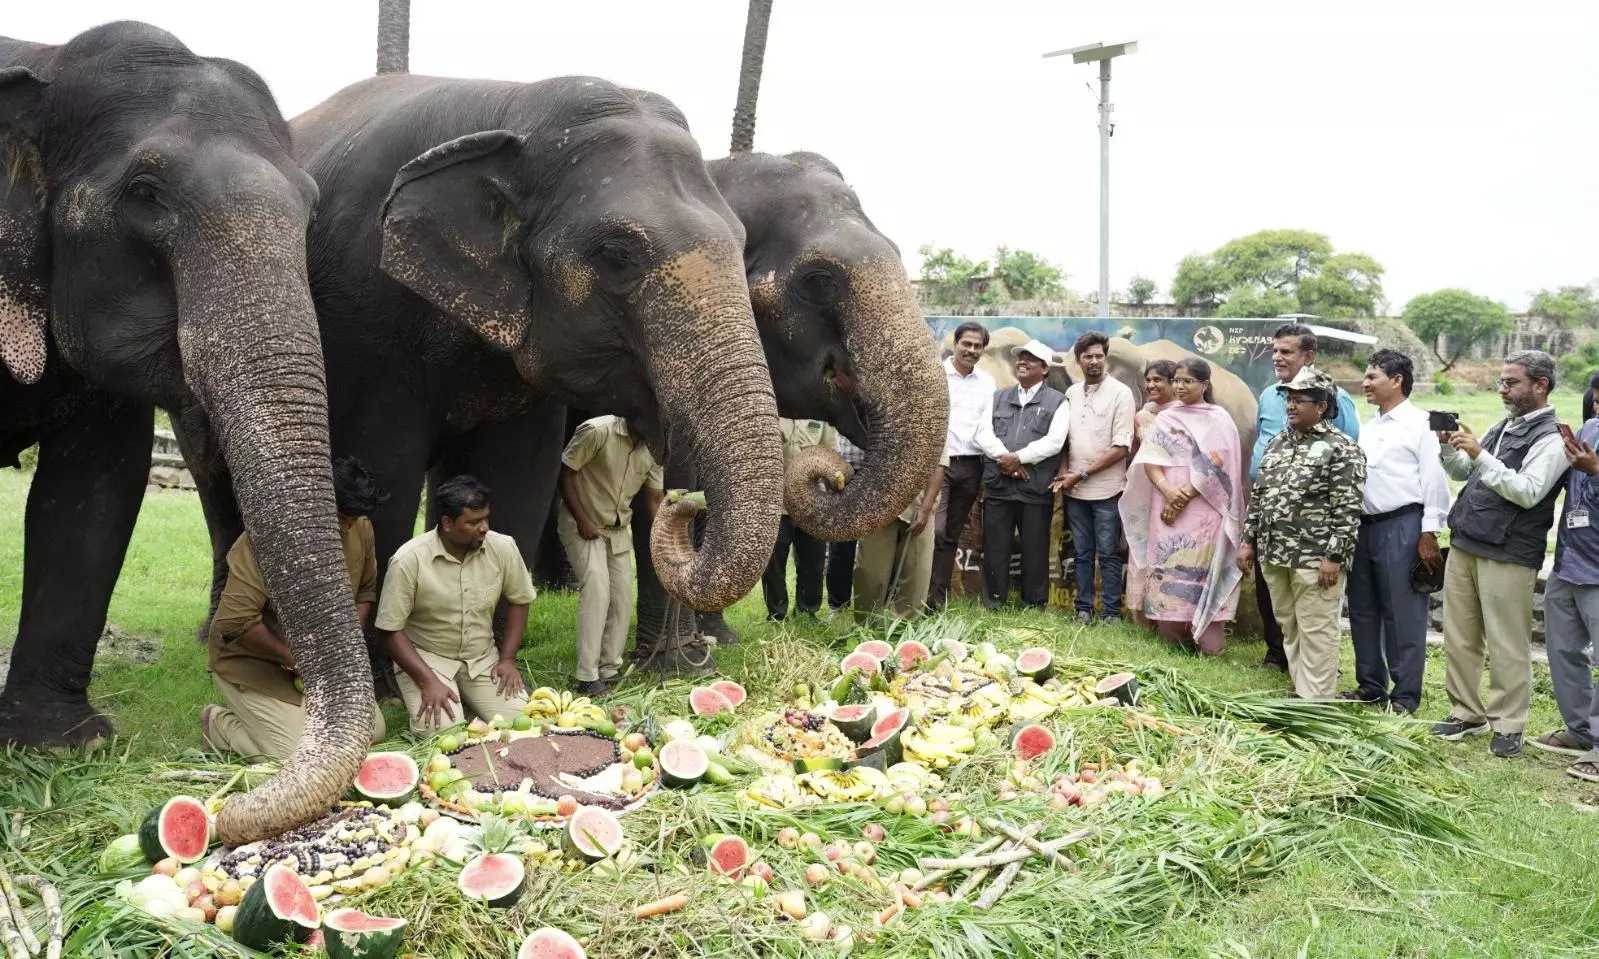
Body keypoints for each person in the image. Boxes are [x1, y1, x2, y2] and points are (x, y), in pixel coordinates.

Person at [201, 457, 390, 760]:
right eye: (342, 517)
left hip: (320, 663)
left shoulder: (359, 526)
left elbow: (365, 592)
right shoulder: (266, 539)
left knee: (371, 732)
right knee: (295, 758)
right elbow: (236, 624)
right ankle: (218, 724)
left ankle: (292, 720)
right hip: (255, 663)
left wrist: (343, 647)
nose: (348, 527)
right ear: (318, 501)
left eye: (354, 519)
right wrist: (298, 660)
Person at [1433, 351, 1566, 758]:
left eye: (1512, 382)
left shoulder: (1553, 438)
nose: (1503, 389)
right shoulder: (1502, 426)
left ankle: (1508, 724)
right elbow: (1465, 474)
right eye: (1501, 382)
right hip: (1467, 542)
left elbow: (1527, 491)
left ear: (1540, 385)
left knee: (1507, 642)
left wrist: (1479, 453)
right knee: (1459, 636)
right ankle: (1465, 712)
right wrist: (1449, 449)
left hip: (1509, 553)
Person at [1239, 367, 1365, 700]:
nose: (1290, 406)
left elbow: (1348, 509)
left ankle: (1318, 701)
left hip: (1314, 557)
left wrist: (1334, 556)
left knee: (1317, 628)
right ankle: (1304, 689)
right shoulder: (1279, 442)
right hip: (1274, 552)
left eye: (1299, 400)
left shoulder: (1341, 449)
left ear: (1321, 406)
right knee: (1290, 625)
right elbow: (1260, 495)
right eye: (1288, 400)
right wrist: (1247, 541)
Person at [376, 475, 536, 732]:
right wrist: (427, 680)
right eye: (473, 522)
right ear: (447, 523)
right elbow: (389, 629)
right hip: (428, 660)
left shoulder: (503, 547)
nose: (484, 527)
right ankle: (439, 694)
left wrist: (507, 660)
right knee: (443, 734)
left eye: (485, 518)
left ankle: (470, 696)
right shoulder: (409, 560)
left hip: (482, 659)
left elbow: (520, 600)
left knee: (523, 724)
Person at [1342, 350, 1450, 714]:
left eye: (1372, 376)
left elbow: (1433, 479)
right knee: (1362, 608)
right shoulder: (1368, 427)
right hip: (1364, 526)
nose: (1365, 383)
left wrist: (1429, 531)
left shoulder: (1421, 424)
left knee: (1403, 613)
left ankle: (1405, 695)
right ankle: (1370, 685)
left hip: (1403, 525)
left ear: (1397, 380)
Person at [1121, 359, 1245, 654]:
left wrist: (1183, 496)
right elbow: (1150, 460)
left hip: (1205, 510)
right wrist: (1167, 490)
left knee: (1201, 570)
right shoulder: (1166, 418)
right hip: (1166, 508)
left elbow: (1219, 465)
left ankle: (1209, 644)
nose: (1180, 386)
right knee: (1168, 569)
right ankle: (1175, 643)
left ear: (1205, 384)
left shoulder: (1218, 418)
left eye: (1188, 381)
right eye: (1177, 380)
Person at [557, 415, 664, 695]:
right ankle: (586, 676)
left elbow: (654, 499)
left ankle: (609, 668)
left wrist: (667, 538)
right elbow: (565, 473)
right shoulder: (596, 431)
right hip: (581, 523)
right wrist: (582, 519)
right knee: (597, 589)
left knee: (621, 598)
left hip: (616, 530)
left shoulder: (653, 447)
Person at [1530, 414, 1599, 780]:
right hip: (1570, 561)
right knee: (1564, 650)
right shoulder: (1590, 429)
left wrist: (1596, 471)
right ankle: (1580, 730)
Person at [1052, 332, 1136, 624]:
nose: (1094, 361)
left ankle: (1111, 612)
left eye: (1099, 356)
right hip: (1075, 491)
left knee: (1109, 553)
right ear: (1078, 361)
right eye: (1088, 356)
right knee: (1082, 552)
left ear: (1106, 358)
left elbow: (1121, 447)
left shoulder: (1121, 393)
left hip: (1107, 491)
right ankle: (1083, 609)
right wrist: (1065, 471)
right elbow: (1066, 440)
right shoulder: (1072, 393)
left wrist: (1083, 473)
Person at [978, 339, 1069, 608]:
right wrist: (1007, 460)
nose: (1022, 362)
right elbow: (983, 433)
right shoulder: (998, 397)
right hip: (999, 485)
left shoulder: (1058, 401)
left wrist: (1018, 458)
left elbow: (1055, 442)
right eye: (1020, 358)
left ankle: (1034, 602)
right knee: (995, 547)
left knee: (1035, 549)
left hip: (1035, 487)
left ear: (1045, 368)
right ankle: (993, 602)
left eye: (1030, 359)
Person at [929, 321, 995, 608]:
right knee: (935, 530)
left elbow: (987, 428)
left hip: (972, 466)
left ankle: (935, 600)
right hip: (937, 464)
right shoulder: (935, 375)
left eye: (977, 346)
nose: (971, 350)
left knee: (951, 535)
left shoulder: (987, 383)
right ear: (954, 344)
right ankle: (915, 592)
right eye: (966, 344)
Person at [854, 453, 947, 620]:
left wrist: (926, 508)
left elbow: (939, 465)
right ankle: (865, 627)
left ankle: (905, 628)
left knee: (916, 576)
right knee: (870, 574)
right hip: (877, 503)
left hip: (918, 506)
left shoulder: (935, 426)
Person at [763, 417, 837, 620]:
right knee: (773, 559)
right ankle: (776, 613)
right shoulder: (772, 407)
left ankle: (808, 610)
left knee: (813, 559)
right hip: (777, 500)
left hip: (811, 501)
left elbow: (830, 454)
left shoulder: (819, 414)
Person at [1126, 359, 1179, 626]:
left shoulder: (1186, 415)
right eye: (1148, 380)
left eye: (1158, 380)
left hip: (1177, 495)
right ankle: (1141, 616)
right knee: (1142, 550)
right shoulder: (1142, 416)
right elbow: (1137, 457)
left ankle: (1170, 615)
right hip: (1146, 494)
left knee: (1170, 551)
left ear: (1174, 383)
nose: (1151, 385)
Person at [826, 434, 867, 617]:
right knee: (841, 542)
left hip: (874, 473)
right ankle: (838, 605)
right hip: (844, 474)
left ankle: (870, 602)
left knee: (876, 545)